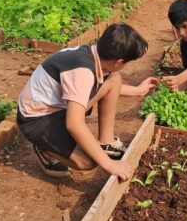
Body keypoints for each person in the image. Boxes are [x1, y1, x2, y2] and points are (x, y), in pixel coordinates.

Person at [16, 23, 156, 180]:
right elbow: (74, 124)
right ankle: (45, 149)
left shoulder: (92, 54)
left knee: (114, 79)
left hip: (57, 107)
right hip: (37, 119)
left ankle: (106, 142)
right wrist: (109, 164)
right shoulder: (82, 71)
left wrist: (138, 90)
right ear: (119, 62)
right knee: (89, 161)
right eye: (126, 62)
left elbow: (105, 86)